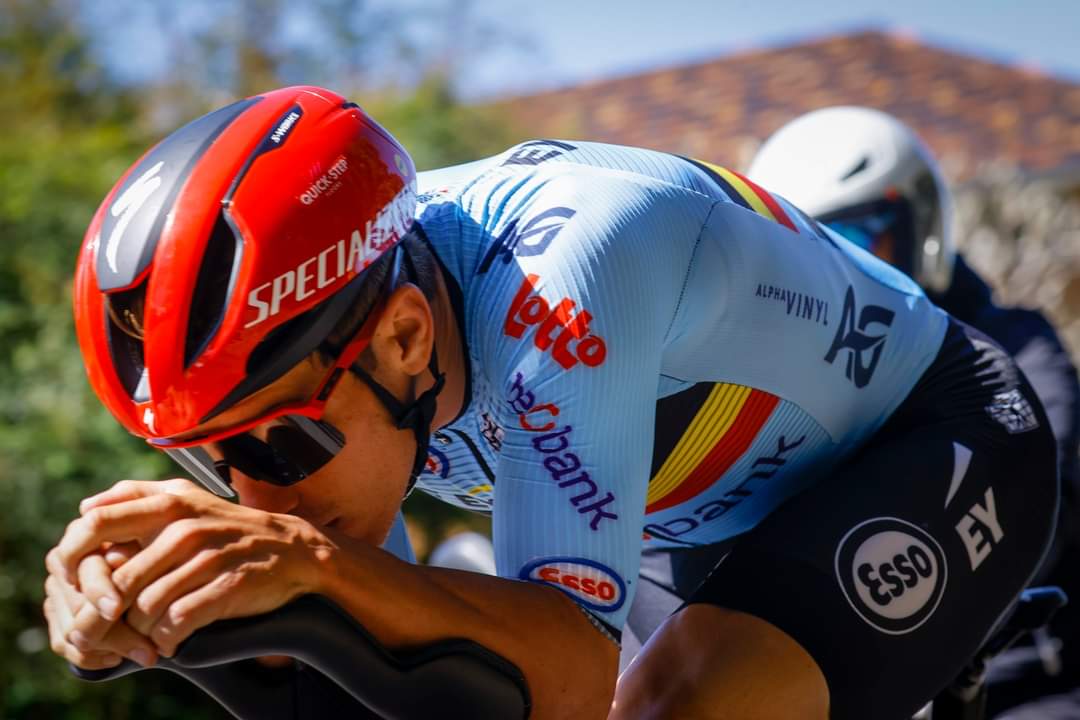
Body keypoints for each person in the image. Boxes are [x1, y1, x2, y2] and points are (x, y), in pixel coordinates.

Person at [43, 85, 1059, 720]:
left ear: (404, 336)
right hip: (690, 513)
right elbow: (354, 682)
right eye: (207, 460)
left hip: (931, 439)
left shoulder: (560, 287)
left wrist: (308, 569)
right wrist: (159, 620)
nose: (256, 495)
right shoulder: (353, 346)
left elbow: (565, 685)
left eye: (282, 443)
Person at [747, 106, 1080, 718]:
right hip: (830, 675)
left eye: (854, 239)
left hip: (1021, 673)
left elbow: (1038, 490)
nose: (837, 273)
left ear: (919, 227)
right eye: (806, 252)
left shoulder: (1013, 347)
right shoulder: (775, 385)